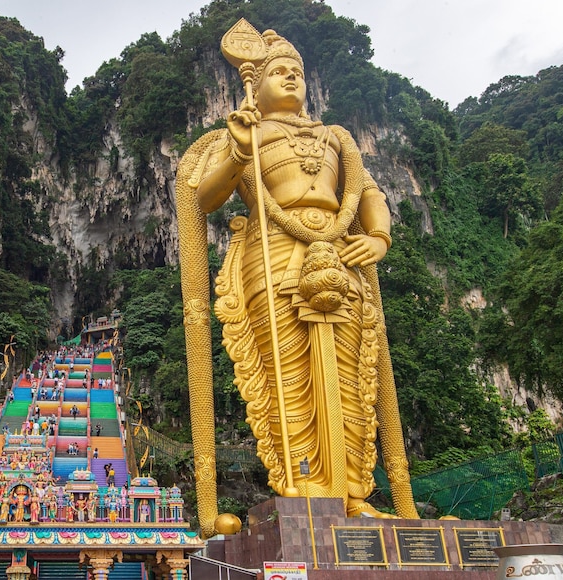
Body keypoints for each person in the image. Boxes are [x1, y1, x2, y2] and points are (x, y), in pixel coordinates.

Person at [176, 22, 416, 525]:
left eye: (297, 73)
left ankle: (353, 494)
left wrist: (378, 238)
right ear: (255, 81)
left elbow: (369, 193)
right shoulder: (245, 131)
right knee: (288, 374)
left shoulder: (335, 137)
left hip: (341, 256)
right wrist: (239, 150)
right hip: (273, 257)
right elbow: (206, 198)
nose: (290, 79)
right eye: (278, 72)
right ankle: (302, 482)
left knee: (353, 377)